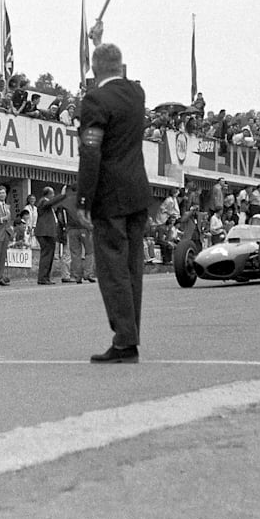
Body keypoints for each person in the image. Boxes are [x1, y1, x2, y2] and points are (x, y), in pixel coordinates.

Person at [74, 42, 151, 364]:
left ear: (93, 68)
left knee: (113, 270)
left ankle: (124, 341)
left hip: (110, 194)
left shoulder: (94, 100)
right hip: (137, 190)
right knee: (133, 268)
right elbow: (117, 77)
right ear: (121, 66)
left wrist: (82, 199)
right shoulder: (136, 94)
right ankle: (129, 336)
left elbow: (91, 151)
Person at [34, 187, 63, 285]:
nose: (53, 196)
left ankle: (46, 277)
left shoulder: (48, 205)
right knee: (46, 255)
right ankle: (42, 277)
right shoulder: (43, 202)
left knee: (50, 255)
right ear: (48, 194)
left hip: (49, 232)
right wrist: (62, 195)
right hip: (44, 233)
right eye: (52, 194)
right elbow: (50, 202)